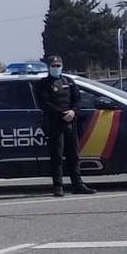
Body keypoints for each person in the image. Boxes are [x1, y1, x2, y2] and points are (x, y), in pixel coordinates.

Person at [35, 55, 94, 196]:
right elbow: (44, 103)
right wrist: (62, 114)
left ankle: (77, 184)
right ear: (48, 67)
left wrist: (73, 111)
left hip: (71, 123)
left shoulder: (69, 81)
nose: (56, 68)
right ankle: (58, 186)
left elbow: (78, 100)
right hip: (55, 123)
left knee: (73, 155)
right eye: (53, 66)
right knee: (57, 155)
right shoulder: (44, 83)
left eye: (58, 66)